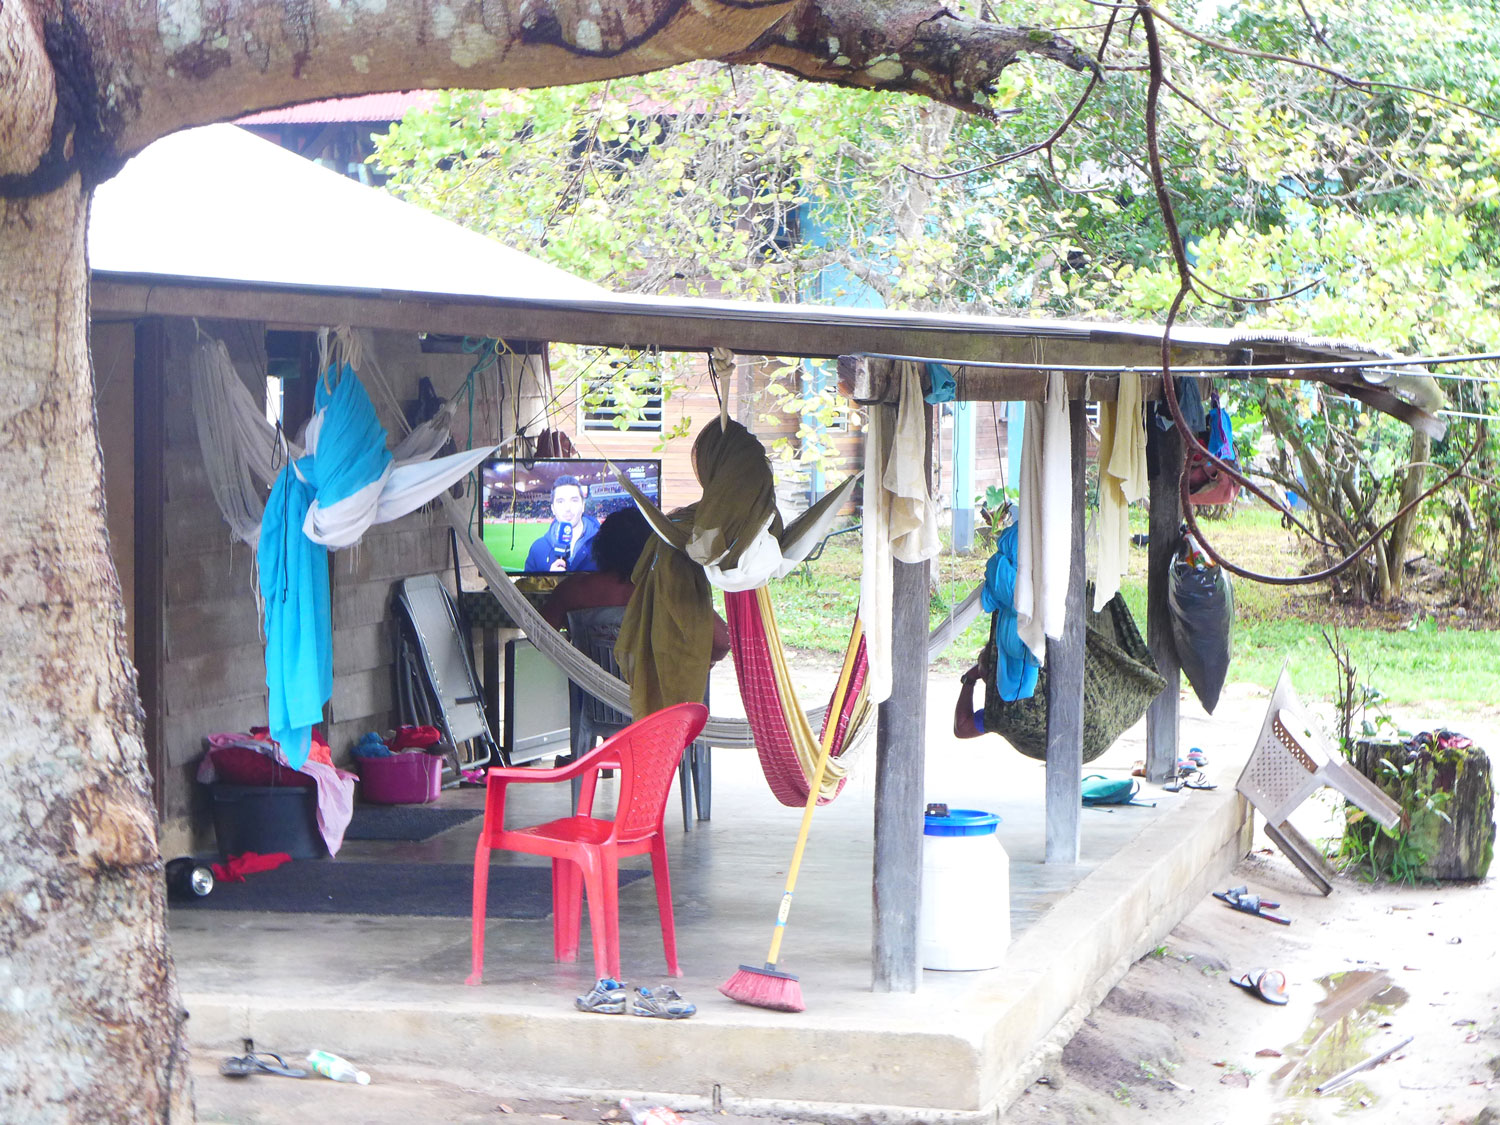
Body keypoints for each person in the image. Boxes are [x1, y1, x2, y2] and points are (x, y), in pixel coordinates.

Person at [542, 506, 729, 662]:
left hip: (589, 700)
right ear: (651, 549)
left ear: (602, 547)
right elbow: (722, 644)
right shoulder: (672, 593)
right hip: (661, 703)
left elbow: (539, 641)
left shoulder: (573, 590)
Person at [523, 475, 600, 573]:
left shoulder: (606, 545)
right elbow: (526, 587)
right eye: (560, 501)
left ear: (583, 505)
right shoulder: (537, 549)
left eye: (574, 500)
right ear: (553, 509)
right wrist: (548, 581)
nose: (567, 508)